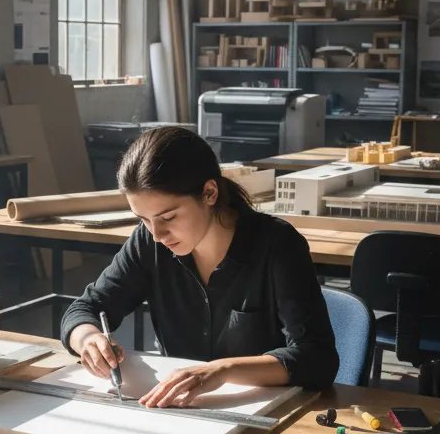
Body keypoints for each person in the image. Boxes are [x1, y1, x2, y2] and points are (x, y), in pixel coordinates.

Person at [60, 126, 339, 408]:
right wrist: (88, 339)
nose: (157, 234)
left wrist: (222, 370)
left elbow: (317, 358)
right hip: (175, 412)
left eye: (168, 217)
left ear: (209, 192)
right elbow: (85, 309)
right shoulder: (148, 242)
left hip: (264, 414)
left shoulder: (277, 245)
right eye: (143, 219)